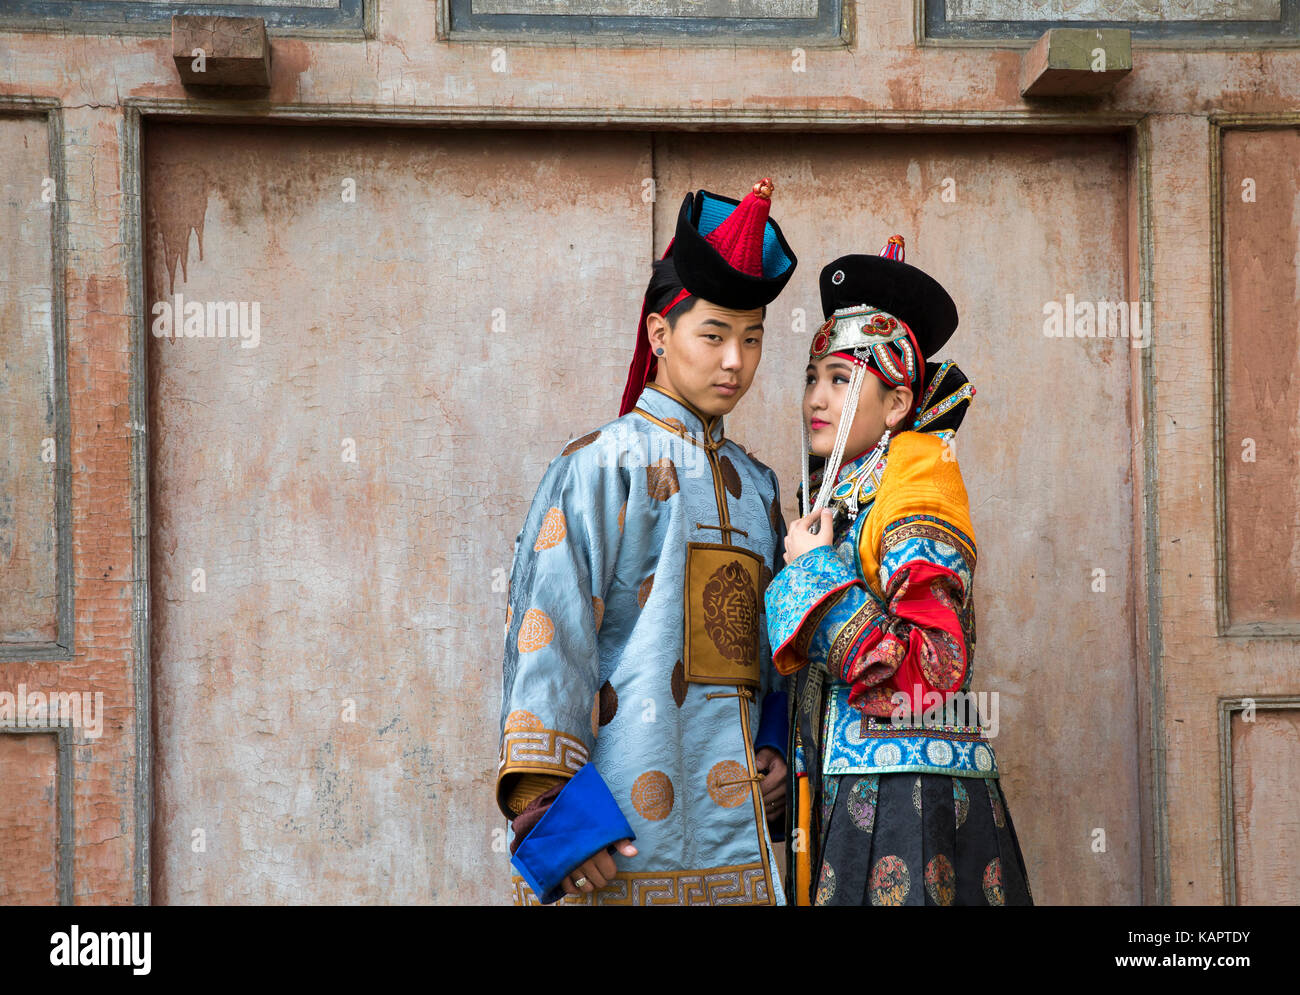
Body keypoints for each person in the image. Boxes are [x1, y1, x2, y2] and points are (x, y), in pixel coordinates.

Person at [497, 178, 799, 905]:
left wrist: (779, 747)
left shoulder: (757, 484)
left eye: (753, 338)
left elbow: (778, 644)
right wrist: (555, 818)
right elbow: (551, 636)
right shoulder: (597, 466)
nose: (736, 361)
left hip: (739, 834)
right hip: (622, 829)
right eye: (715, 334)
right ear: (660, 336)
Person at [763, 235, 1033, 906]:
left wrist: (818, 576)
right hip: (845, 787)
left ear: (895, 404)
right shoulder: (844, 490)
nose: (816, 399)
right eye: (812, 377)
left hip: (904, 797)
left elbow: (935, 665)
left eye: (841, 380)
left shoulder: (917, 480)